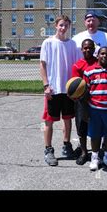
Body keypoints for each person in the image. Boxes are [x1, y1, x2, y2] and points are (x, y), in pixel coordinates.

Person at [40, 15, 79, 166]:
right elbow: (42, 66)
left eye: (66, 25)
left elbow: (77, 66)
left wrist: (75, 88)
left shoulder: (73, 44)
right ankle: (48, 149)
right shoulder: (48, 42)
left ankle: (66, 145)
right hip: (53, 90)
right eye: (61, 25)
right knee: (49, 120)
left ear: (69, 27)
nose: (63, 28)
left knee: (67, 119)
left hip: (68, 90)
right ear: (56, 26)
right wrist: (46, 86)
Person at [70, 38, 97, 165]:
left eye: (90, 47)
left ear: (94, 49)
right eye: (85, 48)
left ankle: (97, 152)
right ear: (81, 49)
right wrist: (81, 96)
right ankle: (84, 152)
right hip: (82, 101)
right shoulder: (77, 65)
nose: (87, 50)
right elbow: (75, 85)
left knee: (97, 127)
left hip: (97, 100)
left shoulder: (98, 62)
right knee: (82, 127)